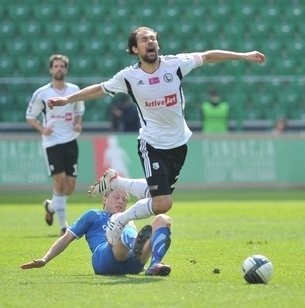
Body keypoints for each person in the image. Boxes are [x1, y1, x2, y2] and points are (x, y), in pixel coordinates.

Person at [47, 26, 266, 244]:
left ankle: (116, 181)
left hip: (179, 144)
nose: (150, 41)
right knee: (162, 203)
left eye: (153, 38)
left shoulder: (176, 64)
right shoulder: (129, 77)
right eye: (144, 39)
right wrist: (67, 100)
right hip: (152, 144)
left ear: (158, 44)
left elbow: (208, 56)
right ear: (134, 48)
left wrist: (243, 56)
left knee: (157, 197)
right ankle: (120, 220)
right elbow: (99, 89)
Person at [20, 190, 172, 276]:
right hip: (104, 259)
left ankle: (154, 264)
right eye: (116, 197)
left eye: (124, 198)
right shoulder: (93, 215)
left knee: (163, 219)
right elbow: (66, 238)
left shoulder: (129, 218)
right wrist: (45, 259)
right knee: (123, 224)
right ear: (104, 199)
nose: (121, 201)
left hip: (133, 264)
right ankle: (134, 245)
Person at [26, 54, 85, 236]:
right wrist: (42, 129)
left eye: (62, 66)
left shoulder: (74, 90)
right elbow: (30, 116)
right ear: (51, 69)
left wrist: (77, 122)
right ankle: (63, 226)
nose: (59, 69)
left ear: (66, 70)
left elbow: (79, 110)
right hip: (51, 142)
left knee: (70, 187)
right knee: (59, 182)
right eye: (56, 66)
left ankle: (51, 206)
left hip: (70, 140)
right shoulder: (42, 93)